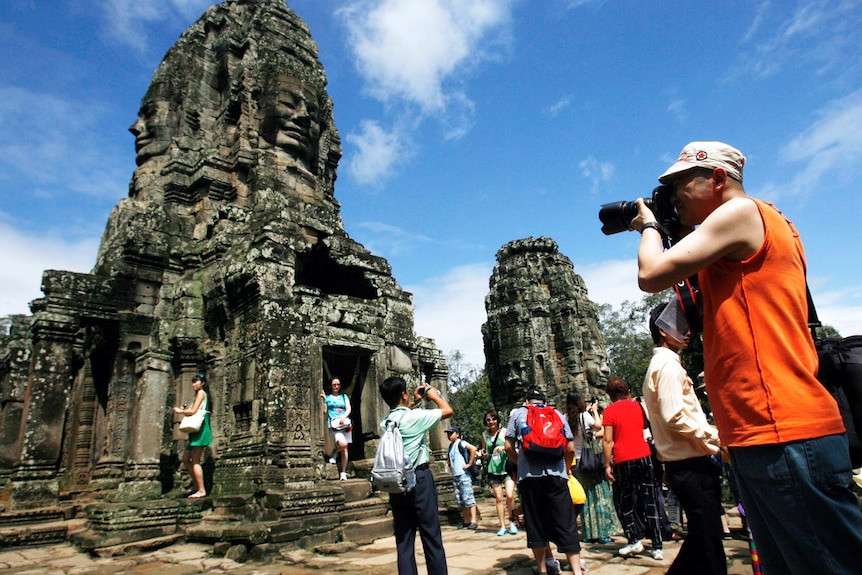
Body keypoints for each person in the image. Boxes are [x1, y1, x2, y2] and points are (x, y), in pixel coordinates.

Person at [632, 141, 862, 574]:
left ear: (717, 178)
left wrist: (648, 226)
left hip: (781, 428)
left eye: (681, 182)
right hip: (759, 432)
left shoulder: (742, 213)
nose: (673, 194)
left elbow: (651, 274)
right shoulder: (742, 232)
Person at [642, 300, 726, 575]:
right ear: (663, 331)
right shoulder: (667, 366)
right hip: (690, 465)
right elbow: (674, 416)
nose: (687, 332)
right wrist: (715, 437)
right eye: (679, 326)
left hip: (687, 463)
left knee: (703, 536)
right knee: (708, 538)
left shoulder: (664, 364)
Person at [378, 376, 453, 575]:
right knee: (431, 536)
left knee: (404, 539)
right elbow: (448, 411)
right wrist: (433, 395)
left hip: (396, 484)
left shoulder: (385, 423)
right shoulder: (416, 417)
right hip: (419, 480)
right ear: (403, 394)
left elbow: (401, 414)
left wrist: (412, 402)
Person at [505, 388, 582, 575]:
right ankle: (577, 570)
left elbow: (508, 446)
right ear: (544, 401)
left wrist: (521, 462)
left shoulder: (518, 414)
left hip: (530, 478)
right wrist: (565, 467)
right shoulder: (556, 414)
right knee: (566, 523)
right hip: (557, 477)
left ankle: (542, 569)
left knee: (535, 523)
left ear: (526, 401)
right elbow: (570, 447)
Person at [601, 377, 663, 560]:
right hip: (644, 455)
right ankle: (657, 546)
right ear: (627, 391)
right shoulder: (638, 406)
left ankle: (634, 539)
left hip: (623, 459)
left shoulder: (610, 411)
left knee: (623, 502)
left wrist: (606, 464)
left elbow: (607, 440)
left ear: (610, 395)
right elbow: (644, 427)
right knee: (649, 499)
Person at [565, 391, 620, 544]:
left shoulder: (566, 418)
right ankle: (602, 533)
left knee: (585, 498)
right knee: (598, 496)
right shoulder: (584, 416)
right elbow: (599, 426)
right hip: (590, 461)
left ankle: (588, 533)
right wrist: (595, 410)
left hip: (576, 463)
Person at [173, 374, 212, 498]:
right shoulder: (197, 395)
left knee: (195, 460)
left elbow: (193, 411)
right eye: (193, 382)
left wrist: (181, 411)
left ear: (203, 383)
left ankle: (201, 490)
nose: (194, 384)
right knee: (185, 458)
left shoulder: (201, 393)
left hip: (201, 430)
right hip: (195, 431)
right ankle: (196, 485)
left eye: (196, 382)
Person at [482, 409, 519, 536]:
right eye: (488, 420)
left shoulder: (504, 432)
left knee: (509, 495)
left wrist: (503, 447)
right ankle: (502, 526)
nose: (491, 422)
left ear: (497, 420)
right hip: (493, 468)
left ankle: (512, 522)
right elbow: (485, 451)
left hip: (506, 467)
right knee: (498, 498)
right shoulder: (484, 435)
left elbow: (511, 446)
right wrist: (483, 454)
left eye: (493, 419)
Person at [445, 425, 478, 530]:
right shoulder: (450, 446)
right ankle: (466, 520)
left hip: (463, 474)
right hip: (456, 475)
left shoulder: (461, 443)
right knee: (460, 499)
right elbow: (449, 459)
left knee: (469, 497)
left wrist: (469, 463)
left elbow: (473, 449)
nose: (449, 435)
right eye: (448, 434)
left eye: (451, 433)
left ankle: (473, 520)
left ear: (457, 434)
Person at [321, 377, 352, 480]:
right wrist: (324, 400)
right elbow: (325, 411)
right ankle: (334, 452)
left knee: (345, 449)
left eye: (338, 384)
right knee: (343, 444)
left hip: (345, 423)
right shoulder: (329, 398)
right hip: (334, 424)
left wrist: (343, 417)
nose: (336, 386)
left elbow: (348, 409)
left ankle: (343, 472)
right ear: (331, 385)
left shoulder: (344, 397)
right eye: (334, 385)